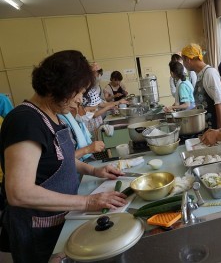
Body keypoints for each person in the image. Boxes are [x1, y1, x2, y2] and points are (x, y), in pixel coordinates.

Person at [0, 50, 128, 262]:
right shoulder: (25, 121)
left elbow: (61, 159)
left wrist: (94, 170)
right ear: (56, 87)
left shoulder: (53, 116)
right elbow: (18, 192)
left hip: (62, 219)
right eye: (77, 92)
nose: (79, 100)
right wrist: (87, 202)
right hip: (39, 230)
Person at [181, 43, 221, 129]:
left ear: (188, 59)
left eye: (183, 60)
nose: (184, 64)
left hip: (215, 128)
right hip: (207, 128)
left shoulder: (210, 73)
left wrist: (220, 130)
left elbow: (220, 102)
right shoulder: (201, 74)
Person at [58, 93, 105, 162]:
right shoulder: (62, 121)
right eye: (90, 110)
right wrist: (88, 149)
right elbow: (65, 160)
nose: (80, 100)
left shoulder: (76, 121)